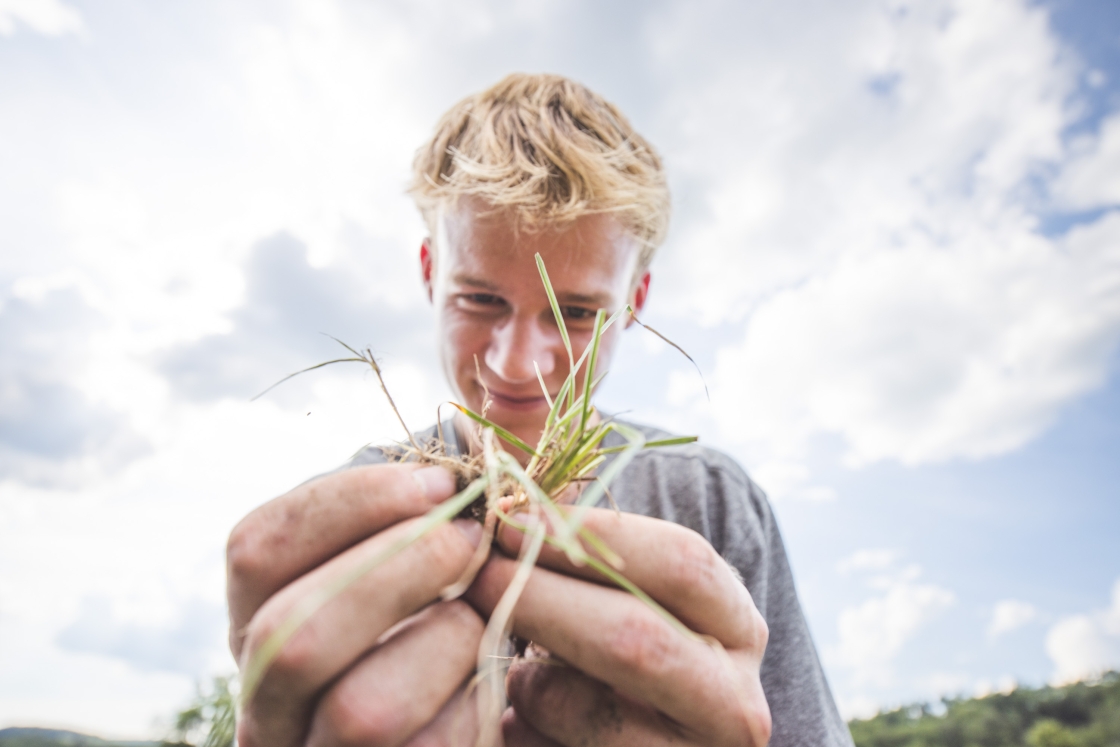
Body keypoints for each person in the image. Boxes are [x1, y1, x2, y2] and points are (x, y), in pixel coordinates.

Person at [226, 73, 853, 747]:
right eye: (480, 299)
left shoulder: (708, 500)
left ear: (635, 301)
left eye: (576, 312)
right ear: (431, 272)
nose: (518, 363)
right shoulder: (352, 515)